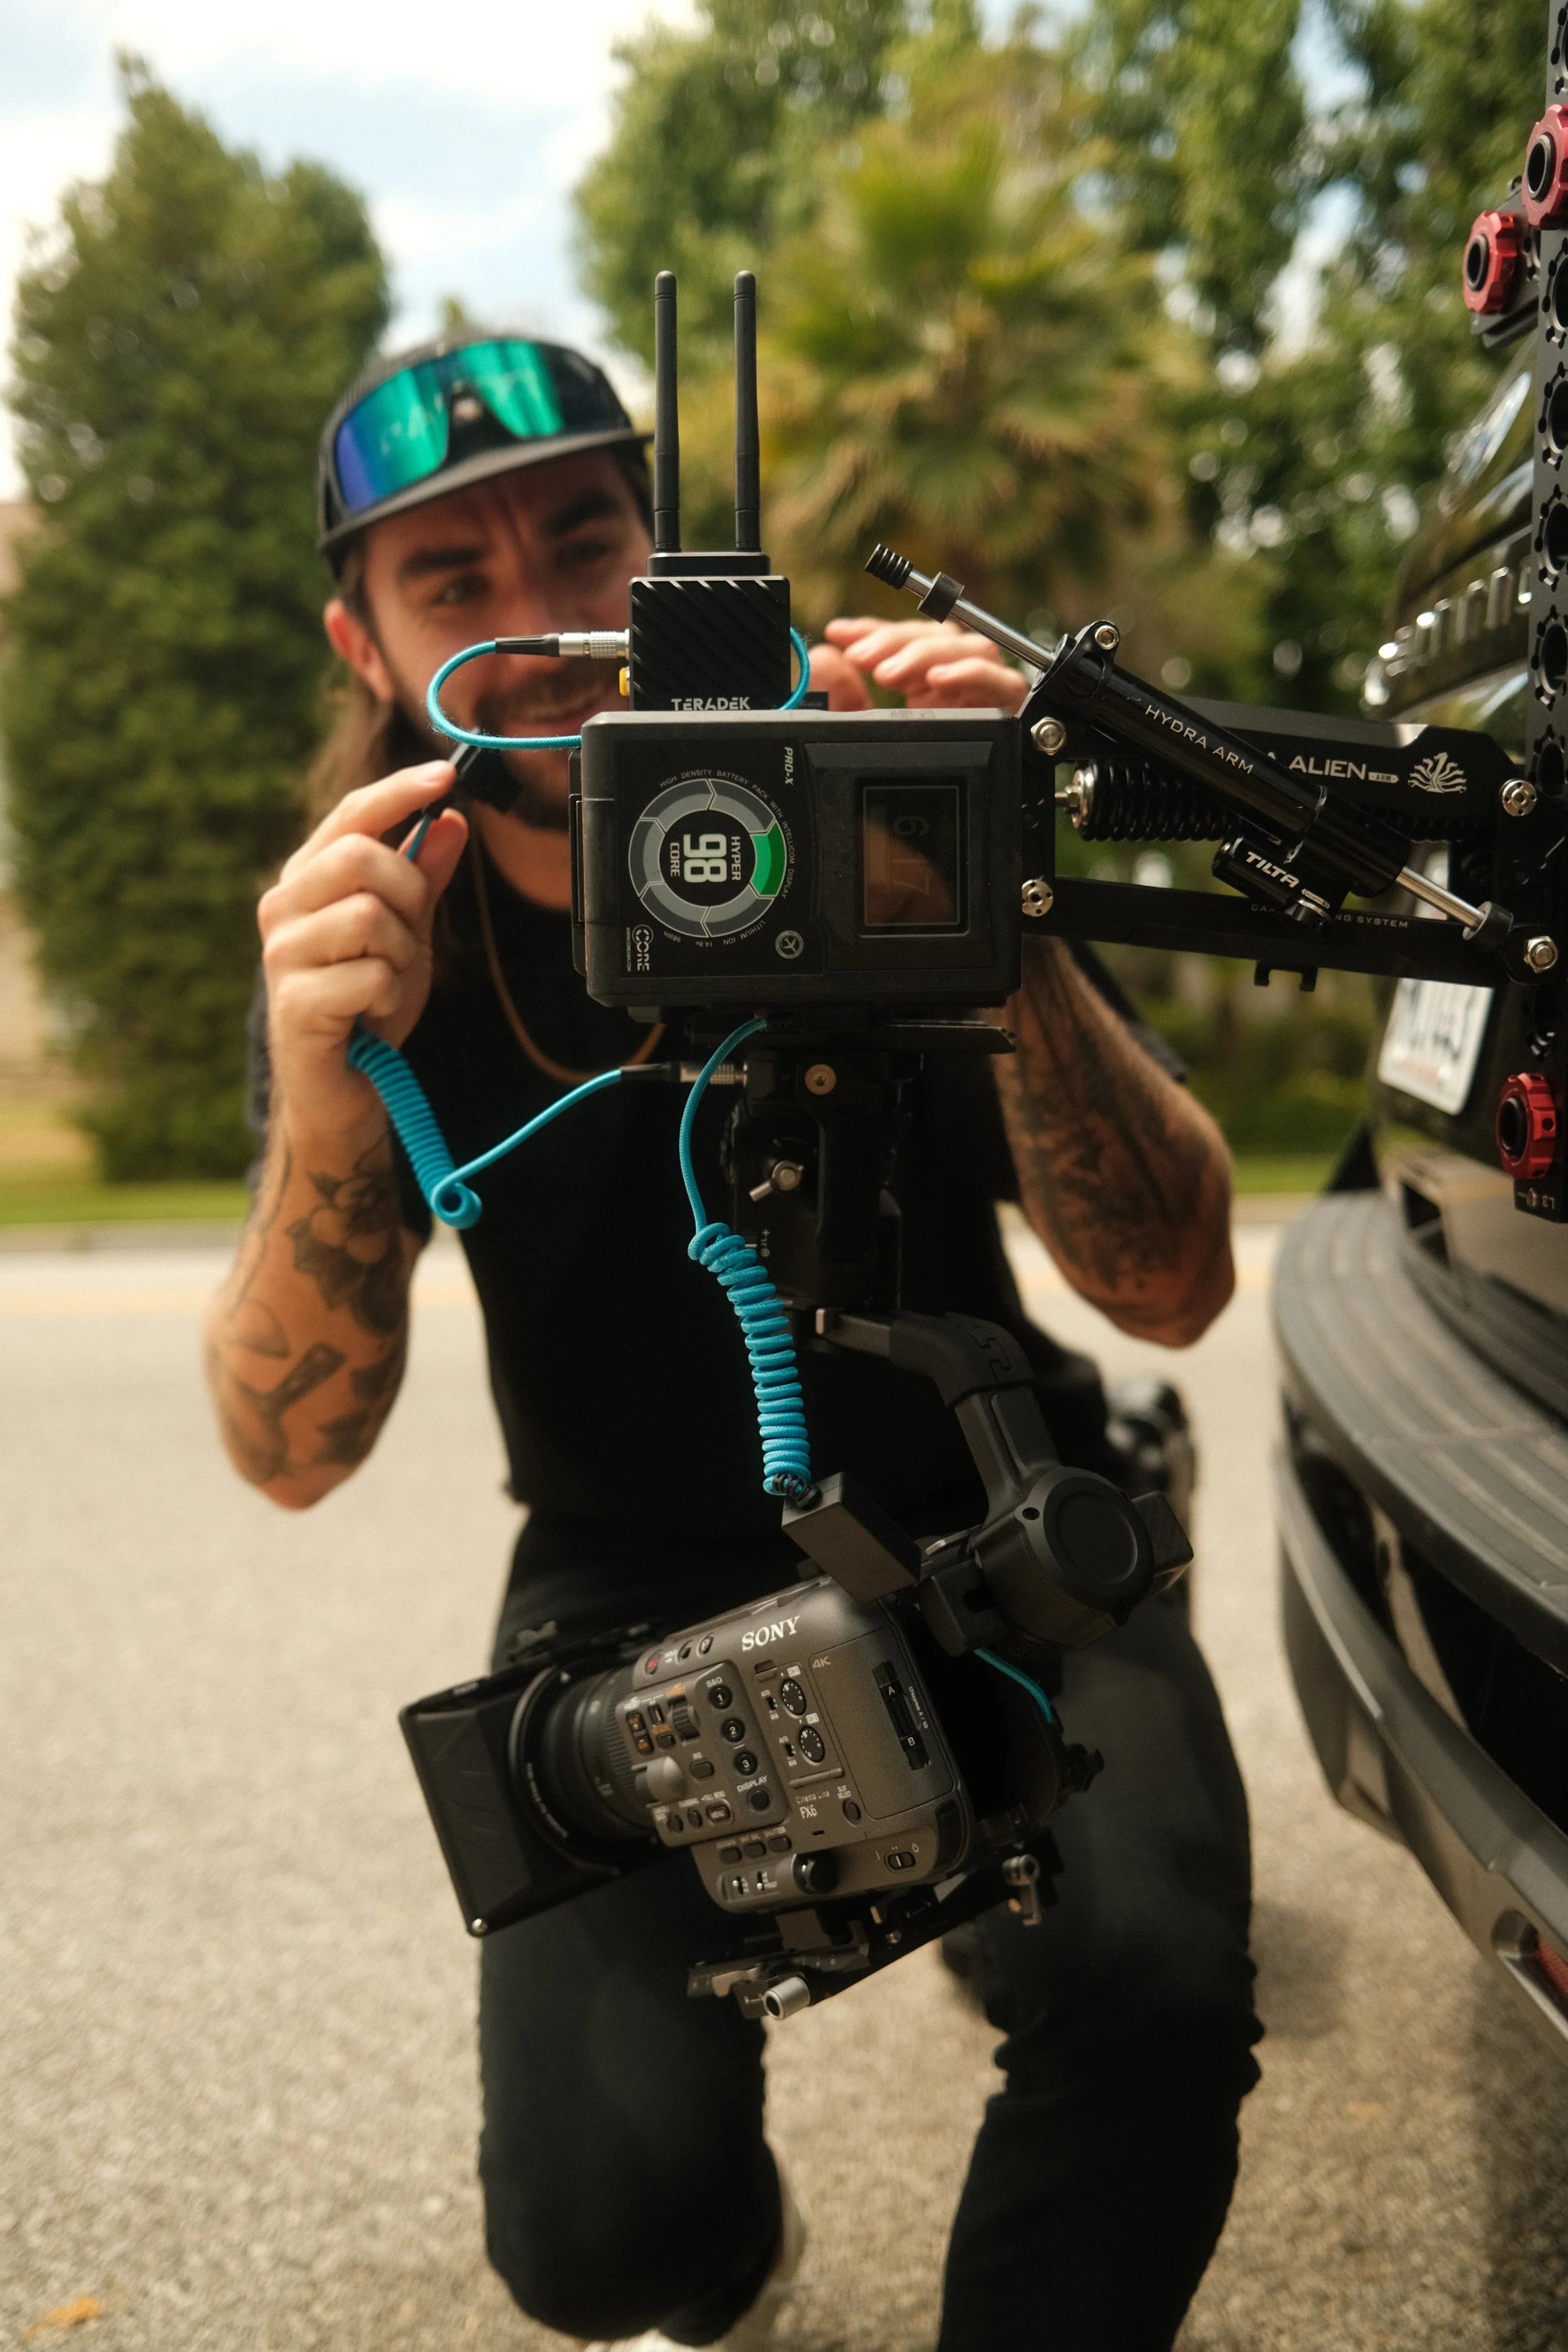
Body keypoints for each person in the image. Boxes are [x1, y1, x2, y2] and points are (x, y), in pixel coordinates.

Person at [205, 330, 1259, 2351]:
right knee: (602, 2243)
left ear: (661, 552)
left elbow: (1177, 1284)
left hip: (986, 1506)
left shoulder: (863, 798)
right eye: (454, 582)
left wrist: (996, 902)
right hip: (625, 1567)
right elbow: (287, 1451)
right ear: (366, 641)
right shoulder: (382, 923)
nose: (540, 620)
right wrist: (331, 1097)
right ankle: (725, 2245)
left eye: (584, 536)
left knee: (1143, 1985)